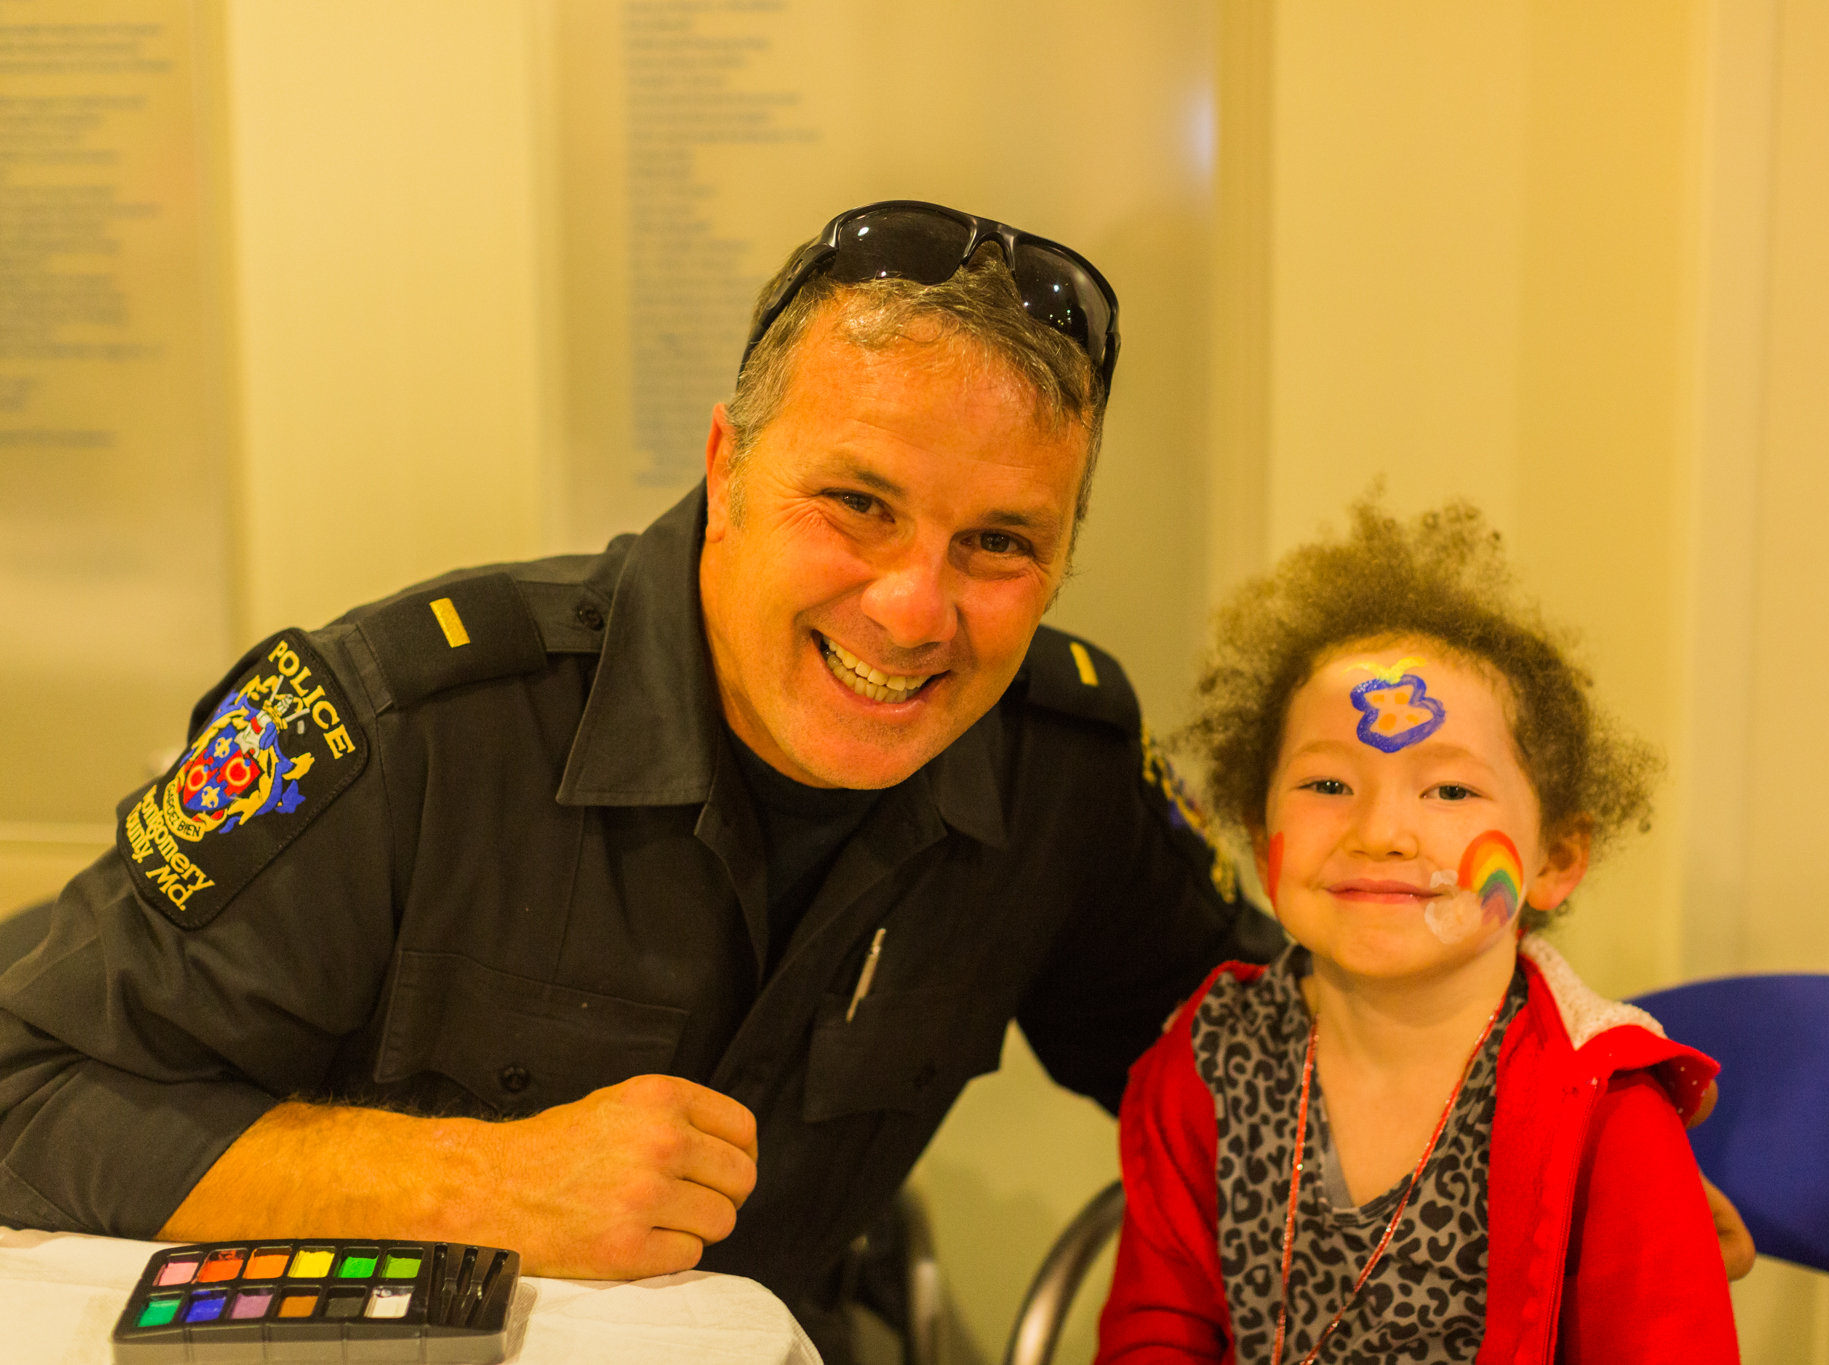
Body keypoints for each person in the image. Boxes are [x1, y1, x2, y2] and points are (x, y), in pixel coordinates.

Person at [0, 201, 1281, 1351]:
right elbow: (24, 1093)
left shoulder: (1062, 770)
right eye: (857, 503)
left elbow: (1285, 1082)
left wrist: (1419, 891)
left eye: (999, 542)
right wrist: (472, 1186)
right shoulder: (405, 720)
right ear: (726, 468)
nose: (912, 611)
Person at [1096, 499, 1741, 1363]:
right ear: (1258, 837)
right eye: (1327, 786)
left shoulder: (1609, 1116)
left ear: (1556, 857)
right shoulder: (1208, 1061)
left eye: (1448, 792)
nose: (1381, 832)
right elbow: (1159, 1330)